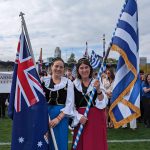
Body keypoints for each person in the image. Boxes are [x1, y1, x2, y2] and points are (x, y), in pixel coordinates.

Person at [72, 58, 108, 150]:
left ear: (90, 68)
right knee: (81, 143)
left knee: (95, 144)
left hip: (96, 117)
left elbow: (103, 104)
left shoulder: (96, 82)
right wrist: (79, 117)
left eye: (86, 67)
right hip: (81, 118)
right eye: (81, 68)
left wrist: (99, 89)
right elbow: (70, 105)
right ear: (78, 70)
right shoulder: (73, 84)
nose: (84, 70)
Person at [42, 57, 74, 150]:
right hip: (45, 116)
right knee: (44, 142)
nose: (58, 69)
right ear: (51, 67)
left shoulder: (68, 83)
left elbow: (70, 104)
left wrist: (58, 119)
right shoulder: (43, 81)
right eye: (56, 66)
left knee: (59, 143)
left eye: (61, 67)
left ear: (64, 69)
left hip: (61, 117)